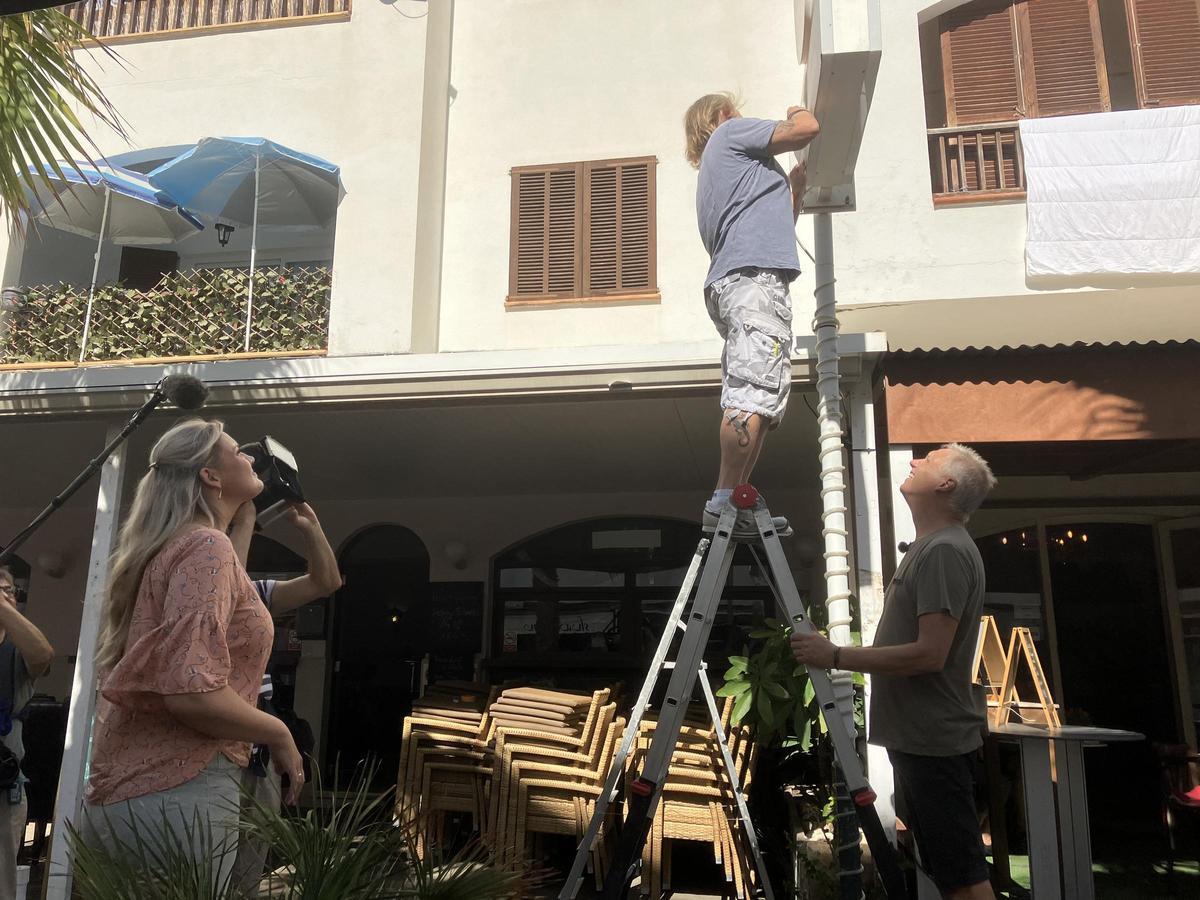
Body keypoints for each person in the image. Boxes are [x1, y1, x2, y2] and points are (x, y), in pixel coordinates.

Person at [80, 419, 306, 887]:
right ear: (210, 476)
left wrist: (243, 518)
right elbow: (192, 693)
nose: (249, 456)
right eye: (236, 451)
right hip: (181, 793)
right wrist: (279, 732)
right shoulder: (205, 546)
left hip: (134, 795)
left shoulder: (174, 545)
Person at [790, 443, 999, 900]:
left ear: (945, 485)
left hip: (935, 743)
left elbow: (929, 654)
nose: (912, 461)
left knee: (964, 879)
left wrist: (837, 656)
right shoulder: (932, 547)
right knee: (950, 875)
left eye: (927, 460)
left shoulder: (945, 551)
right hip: (922, 740)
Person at [684, 91, 820, 532]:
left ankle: (733, 500)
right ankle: (724, 500)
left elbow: (766, 226)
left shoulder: (720, 174)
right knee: (752, 392)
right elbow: (807, 128)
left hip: (742, 283)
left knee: (762, 394)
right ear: (723, 115)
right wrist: (796, 109)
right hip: (753, 282)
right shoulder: (729, 133)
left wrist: (792, 193)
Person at [227, 499, 342, 896]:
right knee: (208, 864)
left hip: (257, 748)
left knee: (248, 866)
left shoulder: (257, 593)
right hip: (213, 744)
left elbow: (326, 582)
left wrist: (311, 528)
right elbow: (223, 587)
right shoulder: (201, 591)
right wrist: (244, 520)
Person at [0, 566, 53, 900]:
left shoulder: (18, 652)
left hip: (2, 786)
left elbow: (43, 655)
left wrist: (2, 606)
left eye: (10, 591)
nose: (8, 595)